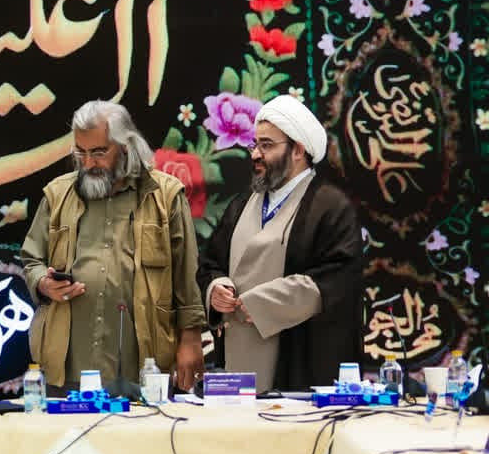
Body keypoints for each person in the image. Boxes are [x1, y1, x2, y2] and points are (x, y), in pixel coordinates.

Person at [21, 100, 205, 394]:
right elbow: (32, 260)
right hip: (68, 366)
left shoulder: (165, 196)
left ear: (126, 146)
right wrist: (43, 283)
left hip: (143, 365)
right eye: (80, 152)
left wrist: (191, 339)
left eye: (98, 152)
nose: (87, 163)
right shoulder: (57, 195)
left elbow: (187, 276)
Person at [197, 95, 363, 392]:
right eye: (255, 144)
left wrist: (262, 305)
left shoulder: (332, 207)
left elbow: (338, 279)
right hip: (238, 361)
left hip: (299, 362)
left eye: (267, 145)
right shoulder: (242, 204)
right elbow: (210, 263)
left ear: (298, 150)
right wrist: (216, 288)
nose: (255, 154)